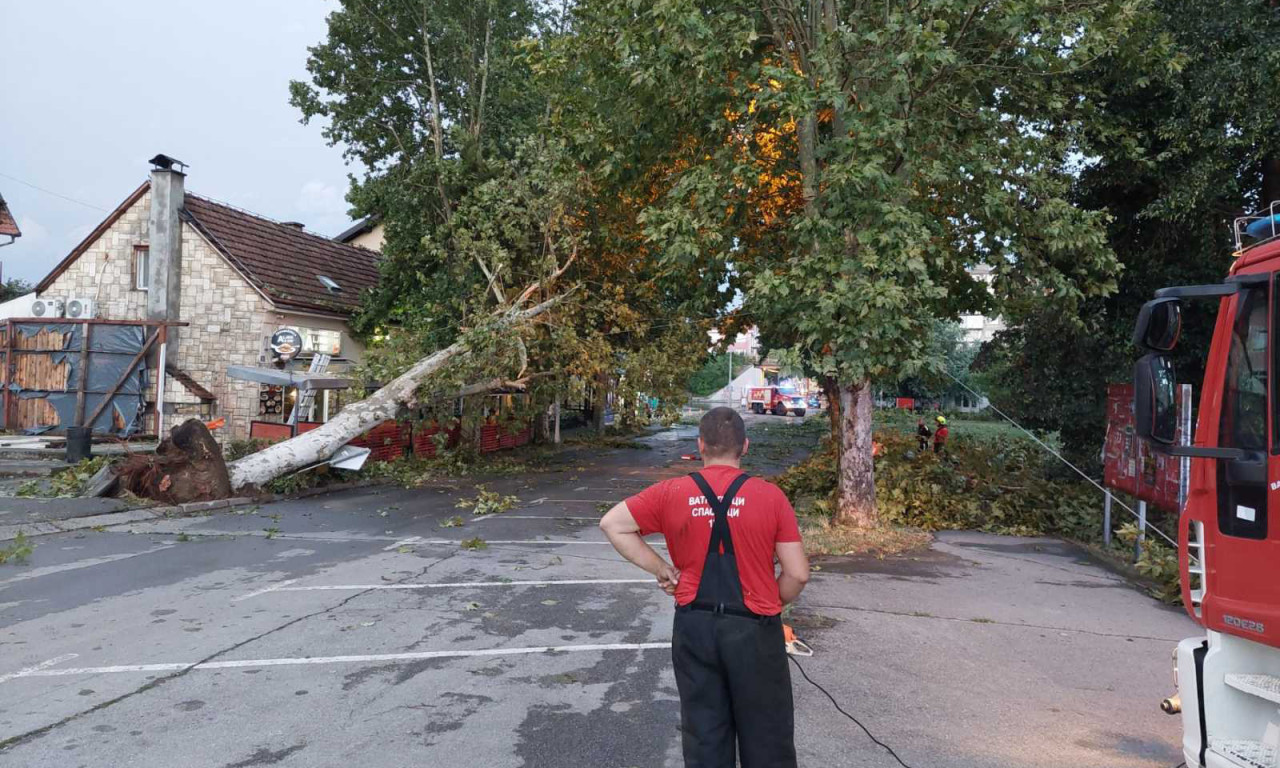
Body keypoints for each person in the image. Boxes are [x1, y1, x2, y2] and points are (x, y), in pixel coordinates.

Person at [600, 406, 809, 768]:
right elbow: (798, 574)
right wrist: (770, 602)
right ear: (745, 446)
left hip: (695, 628)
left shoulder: (671, 492)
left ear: (700, 446)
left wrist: (662, 569)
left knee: (705, 734)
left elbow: (612, 524)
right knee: (767, 737)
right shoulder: (770, 497)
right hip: (754, 630)